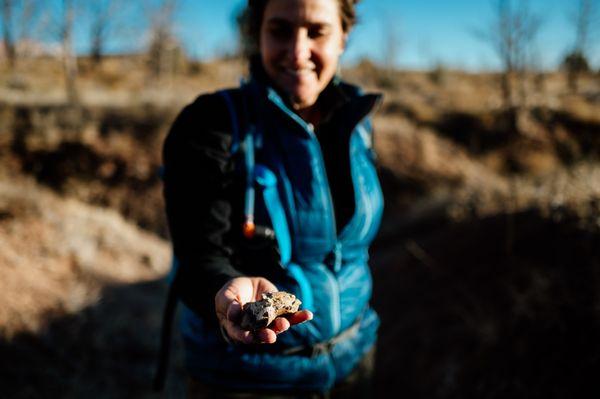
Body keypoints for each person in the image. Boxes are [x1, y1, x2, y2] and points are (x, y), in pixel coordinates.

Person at [161, 0, 383, 397]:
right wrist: (223, 291)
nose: (298, 52)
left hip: (356, 360)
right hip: (246, 380)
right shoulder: (210, 125)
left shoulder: (358, 124)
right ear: (257, 34)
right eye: (280, 30)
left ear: (343, 38)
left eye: (317, 31)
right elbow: (197, 256)